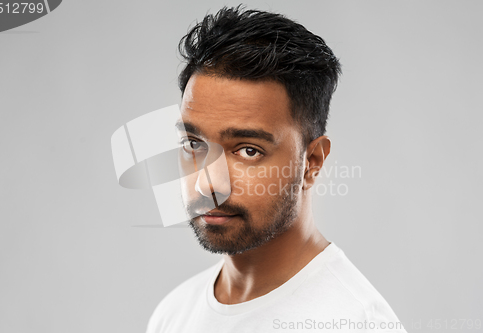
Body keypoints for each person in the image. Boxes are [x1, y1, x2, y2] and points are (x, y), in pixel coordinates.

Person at [147, 6, 407, 333]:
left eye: (248, 150)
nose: (207, 183)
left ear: (311, 163)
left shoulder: (355, 323)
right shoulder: (173, 314)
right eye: (194, 145)